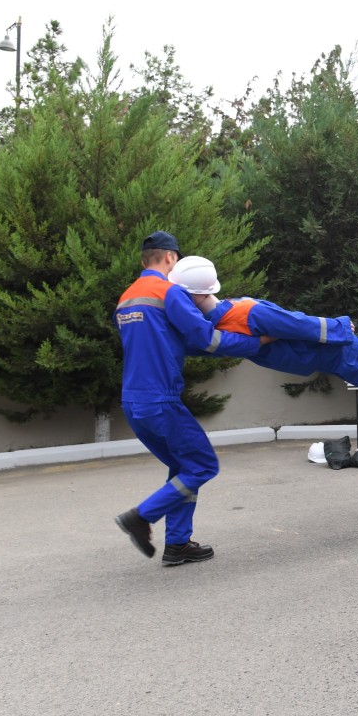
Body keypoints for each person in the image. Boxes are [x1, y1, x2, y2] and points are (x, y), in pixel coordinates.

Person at [113, 232, 266, 566]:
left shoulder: (126, 299)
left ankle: (178, 544)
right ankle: (141, 517)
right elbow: (208, 339)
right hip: (161, 400)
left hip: (134, 403)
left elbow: (173, 342)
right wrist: (258, 343)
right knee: (203, 465)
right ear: (170, 258)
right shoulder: (169, 292)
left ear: (144, 260)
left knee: (184, 467)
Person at [167, 256, 358, 413]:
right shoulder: (242, 311)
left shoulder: (215, 326)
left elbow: (202, 344)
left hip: (306, 356)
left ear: (193, 295)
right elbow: (293, 323)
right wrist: (337, 327)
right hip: (321, 350)